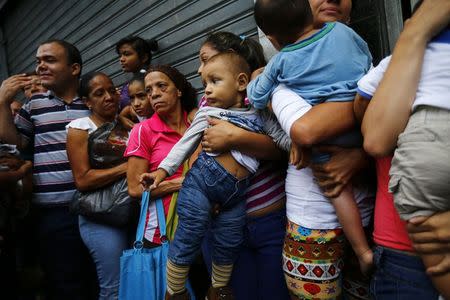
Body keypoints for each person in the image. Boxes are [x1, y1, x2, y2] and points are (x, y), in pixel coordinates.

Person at [249, 0, 373, 276]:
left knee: (336, 189)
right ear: (308, 11)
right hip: (361, 132)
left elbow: (258, 98)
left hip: (328, 154)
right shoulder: (344, 34)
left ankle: (362, 250)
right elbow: (366, 63)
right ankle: (364, 251)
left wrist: (257, 78)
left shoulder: (281, 63)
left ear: (271, 38)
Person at [142, 52, 278, 300]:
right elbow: (184, 144)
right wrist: (161, 172)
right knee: (191, 231)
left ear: (241, 82)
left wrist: (299, 146)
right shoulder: (208, 114)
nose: (207, 91)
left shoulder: (259, 114)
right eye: (205, 85)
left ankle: (218, 289)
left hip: (235, 195)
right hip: (200, 185)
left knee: (229, 241)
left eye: (215, 81)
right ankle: (175, 289)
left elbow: (279, 139)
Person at [359, 0, 450, 297]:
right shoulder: (403, 54)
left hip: (413, 241)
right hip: (402, 252)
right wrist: (415, 34)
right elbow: (374, 138)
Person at [0, 39, 96, 300]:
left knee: (99, 278)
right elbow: (15, 142)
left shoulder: (93, 103)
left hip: (97, 207)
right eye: (38, 60)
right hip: (54, 212)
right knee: (66, 282)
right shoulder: (34, 106)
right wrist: (2, 103)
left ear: (74, 68)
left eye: (50, 60)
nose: (41, 65)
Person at [198, 31, 290, 300]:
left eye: (205, 60)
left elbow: (284, 148)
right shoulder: (207, 102)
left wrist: (236, 137)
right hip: (227, 225)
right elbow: (197, 152)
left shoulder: (260, 95)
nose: (200, 69)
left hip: (271, 220)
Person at [66, 72, 130, 300]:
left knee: (135, 280)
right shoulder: (79, 128)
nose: (109, 97)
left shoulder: (124, 123)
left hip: (129, 212)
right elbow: (83, 179)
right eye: (99, 93)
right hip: (100, 216)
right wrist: (127, 168)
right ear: (87, 101)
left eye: (111, 90)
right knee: (114, 286)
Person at [116, 36, 158, 110]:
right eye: (120, 55)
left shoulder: (154, 80)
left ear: (144, 57)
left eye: (127, 54)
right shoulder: (128, 85)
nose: (121, 59)